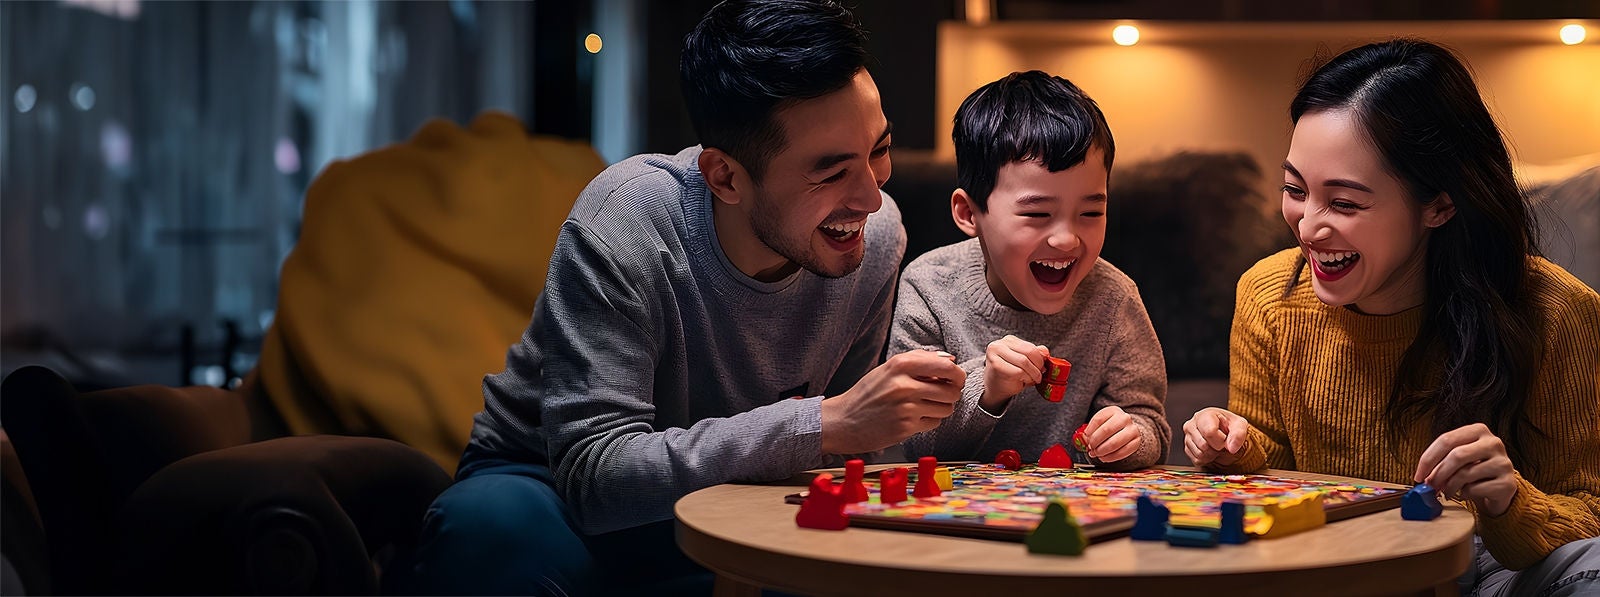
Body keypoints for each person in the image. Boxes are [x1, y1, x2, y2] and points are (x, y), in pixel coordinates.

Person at [404, 1, 966, 594]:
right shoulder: (628, 221)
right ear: (724, 176)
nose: (871, 199)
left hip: (745, 495)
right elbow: (596, 475)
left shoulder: (875, 238)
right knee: (493, 530)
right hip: (552, 491)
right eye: (830, 174)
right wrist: (823, 424)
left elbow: (844, 449)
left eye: (879, 151)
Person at [1182, 39, 1598, 595]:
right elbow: (1269, 485)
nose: (1307, 226)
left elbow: (1589, 511)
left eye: (1345, 203)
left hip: (1487, 570)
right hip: (1326, 569)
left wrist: (1509, 499)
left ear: (1438, 204)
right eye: (1294, 190)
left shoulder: (1556, 310)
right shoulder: (1268, 296)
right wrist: (1232, 447)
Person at [890, 70, 1168, 470]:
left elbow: (1151, 426)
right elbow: (915, 441)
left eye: (1091, 212)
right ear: (969, 213)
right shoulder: (929, 287)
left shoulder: (1114, 299)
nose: (1067, 240)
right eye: (1038, 213)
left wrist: (1129, 437)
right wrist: (986, 388)